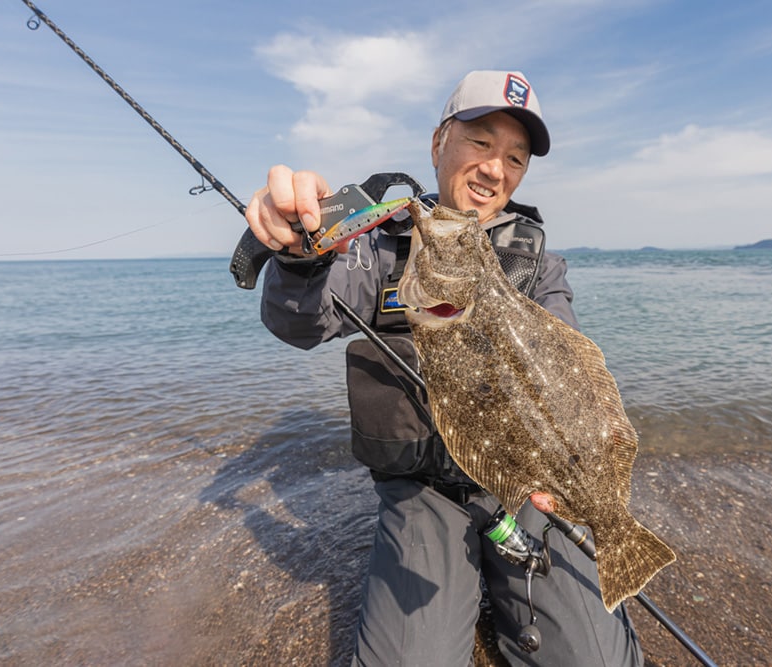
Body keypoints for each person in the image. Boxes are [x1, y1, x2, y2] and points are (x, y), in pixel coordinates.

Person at [245, 70, 643, 666]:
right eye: (481, 143)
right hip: (425, 486)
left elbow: (571, 369)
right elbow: (303, 324)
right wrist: (301, 258)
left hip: (525, 488)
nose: (495, 169)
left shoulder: (540, 264)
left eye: (515, 157)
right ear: (438, 143)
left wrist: (575, 471)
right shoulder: (381, 241)